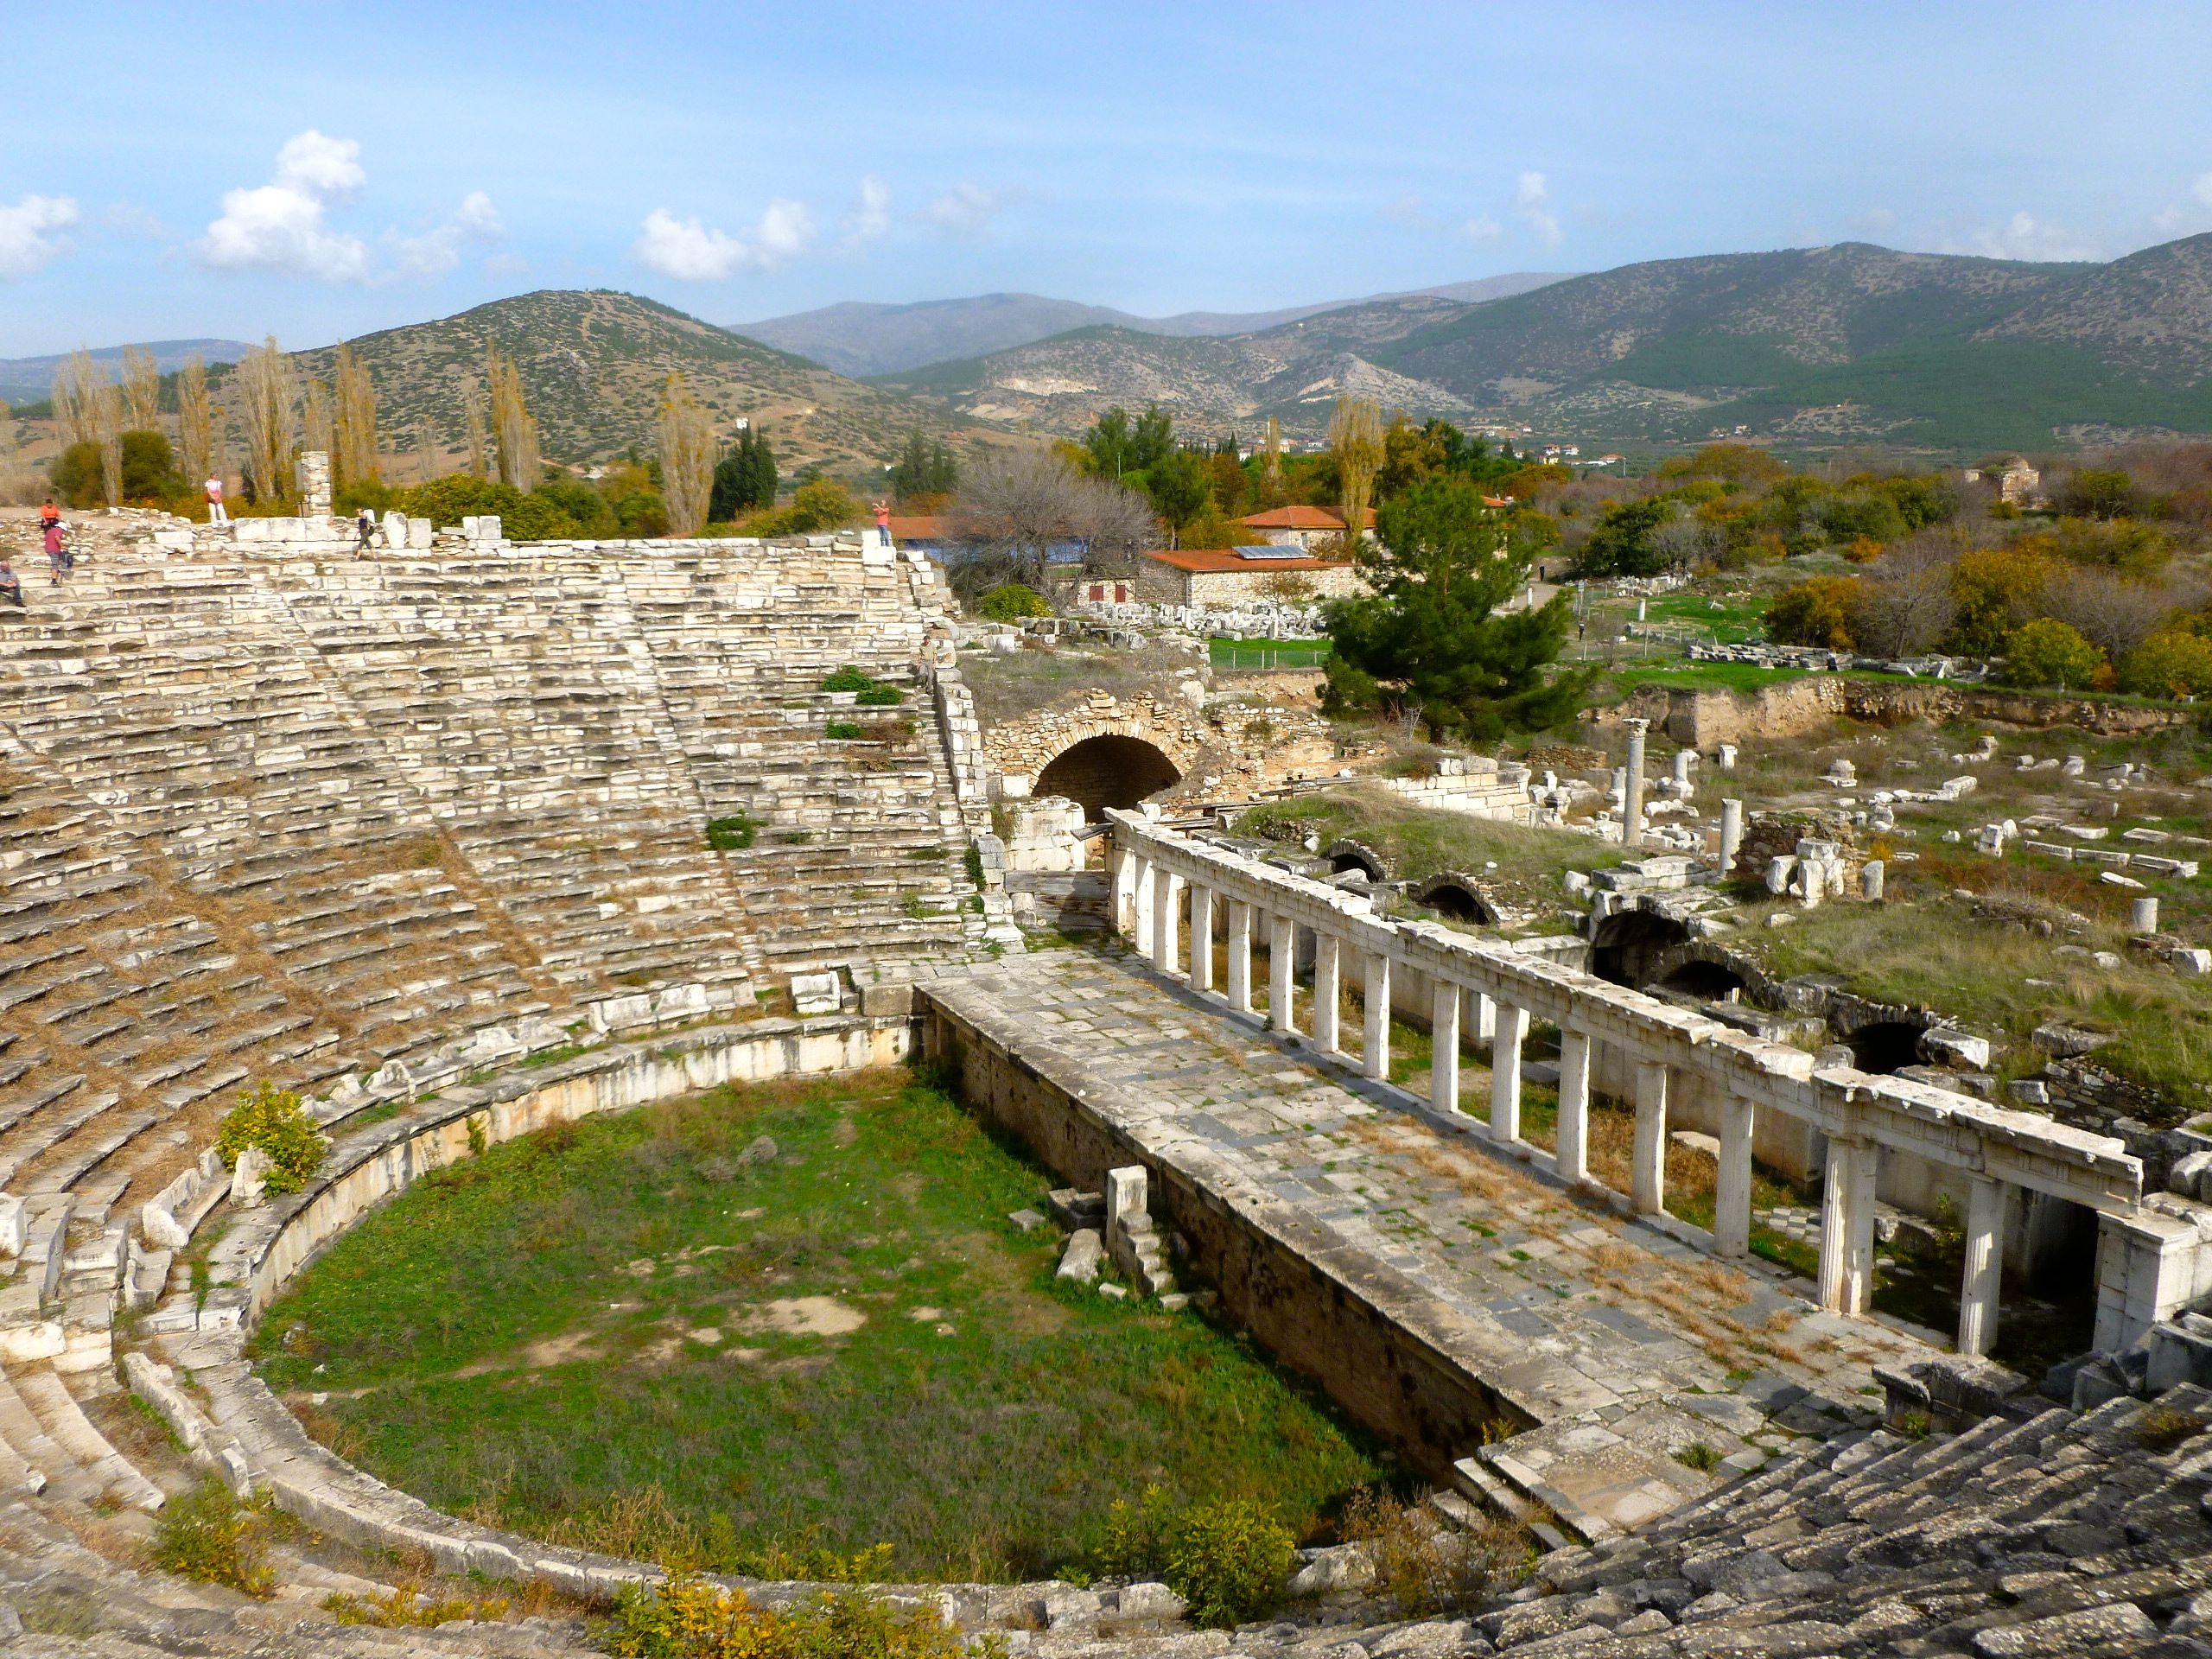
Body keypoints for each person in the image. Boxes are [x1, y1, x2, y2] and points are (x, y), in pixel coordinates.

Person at [43, 515, 67, 583]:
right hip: (54, 549)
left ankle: (56, 572)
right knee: (55, 565)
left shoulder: (50, 530)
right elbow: (57, 537)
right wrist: (61, 546)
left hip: (48, 549)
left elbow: (46, 538)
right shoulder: (59, 530)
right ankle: (54, 581)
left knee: (58, 560)